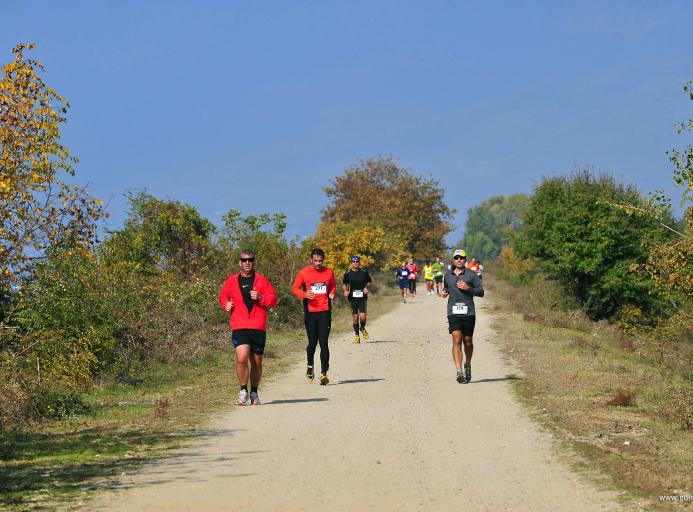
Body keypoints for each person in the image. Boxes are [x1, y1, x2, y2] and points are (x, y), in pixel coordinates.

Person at [219, 250, 278, 406]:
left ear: (254, 262)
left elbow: (273, 299)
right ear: (240, 262)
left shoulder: (262, 280)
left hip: (257, 326)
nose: (247, 262)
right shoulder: (231, 281)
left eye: (250, 260)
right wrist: (226, 304)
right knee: (242, 358)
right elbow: (223, 296)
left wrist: (260, 298)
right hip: (239, 325)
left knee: (256, 362)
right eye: (244, 260)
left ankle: (254, 392)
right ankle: (243, 390)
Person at [292, 248, 336, 385]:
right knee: (313, 342)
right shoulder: (304, 272)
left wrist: (332, 293)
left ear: (323, 260)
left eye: (320, 261)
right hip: (311, 312)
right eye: (315, 260)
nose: (318, 263)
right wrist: (304, 295)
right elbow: (295, 289)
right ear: (311, 259)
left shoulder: (329, 272)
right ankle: (310, 365)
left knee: (323, 341)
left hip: (325, 310)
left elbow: (333, 286)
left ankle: (324, 373)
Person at [442, 249, 484, 384]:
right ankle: (459, 371)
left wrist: (468, 288)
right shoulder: (447, 275)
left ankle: (468, 364)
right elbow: (446, 288)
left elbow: (481, 292)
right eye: (456, 258)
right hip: (453, 312)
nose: (459, 260)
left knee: (468, 342)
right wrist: (444, 292)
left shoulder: (472, 275)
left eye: (461, 258)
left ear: (465, 260)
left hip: (468, 313)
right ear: (453, 260)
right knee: (457, 339)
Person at [342, 255, 373, 344]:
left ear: (359, 262)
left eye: (357, 261)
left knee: (363, 317)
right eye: (353, 262)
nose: (355, 263)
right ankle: (357, 336)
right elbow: (344, 283)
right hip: (352, 298)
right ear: (351, 263)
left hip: (362, 297)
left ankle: (362, 328)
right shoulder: (347, 273)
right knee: (355, 317)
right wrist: (345, 291)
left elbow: (369, 282)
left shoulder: (364, 272)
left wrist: (366, 287)